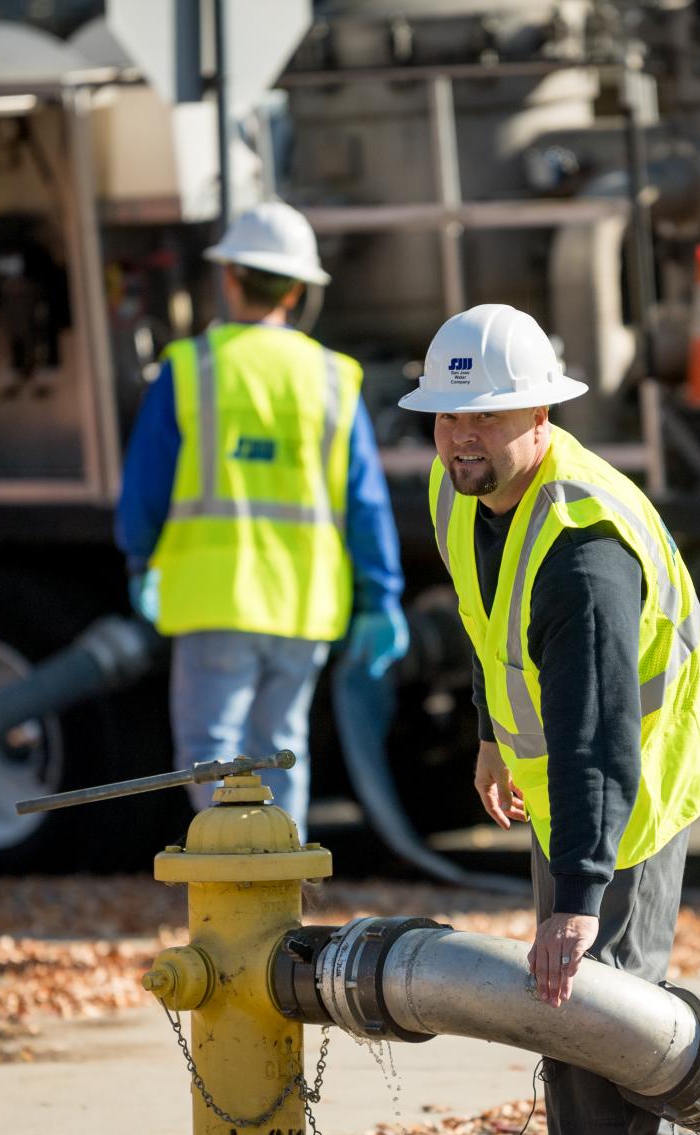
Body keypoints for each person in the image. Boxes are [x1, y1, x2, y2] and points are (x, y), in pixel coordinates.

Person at [398, 304, 700, 1135]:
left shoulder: (582, 547)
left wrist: (580, 898)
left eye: (486, 415)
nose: (461, 436)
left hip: (637, 776)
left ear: (541, 415)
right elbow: (484, 618)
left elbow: (600, 738)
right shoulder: (461, 490)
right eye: (447, 415)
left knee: (604, 1008)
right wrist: (489, 735)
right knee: (572, 1003)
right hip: (571, 777)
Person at [117, 201, 406, 832]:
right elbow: (366, 501)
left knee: (212, 755)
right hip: (305, 605)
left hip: (213, 600)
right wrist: (380, 597)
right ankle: (283, 881)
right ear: (298, 290)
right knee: (282, 751)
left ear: (229, 278)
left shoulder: (191, 368)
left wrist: (140, 559)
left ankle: (233, 880)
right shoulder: (334, 378)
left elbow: (145, 488)